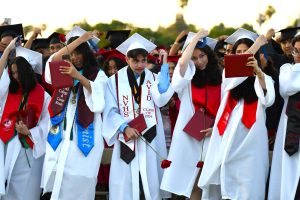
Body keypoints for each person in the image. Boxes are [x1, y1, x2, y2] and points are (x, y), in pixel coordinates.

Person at [199, 28, 275, 199]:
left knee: (250, 181)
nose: (242, 55)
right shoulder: (228, 74)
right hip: (230, 134)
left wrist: (258, 71)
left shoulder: (264, 77)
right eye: (238, 52)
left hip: (252, 138)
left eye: (245, 52)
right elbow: (238, 70)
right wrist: (259, 42)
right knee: (228, 175)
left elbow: (268, 99)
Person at [102, 33, 173, 199]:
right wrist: (124, 127)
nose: (140, 65)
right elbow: (110, 111)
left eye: (143, 60)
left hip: (151, 134)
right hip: (128, 136)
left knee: (150, 182)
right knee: (128, 183)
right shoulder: (114, 81)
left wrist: (163, 67)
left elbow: (162, 98)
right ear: (126, 59)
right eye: (135, 61)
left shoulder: (155, 78)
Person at [41, 27, 107, 200]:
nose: (75, 58)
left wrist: (78, 76)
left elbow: (99, 102)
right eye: (72, 53)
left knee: (79, 182)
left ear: (87, 53)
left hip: (84, 134)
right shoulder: (62, 70)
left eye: (79, 53)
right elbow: (53, 60)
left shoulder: (98, 74)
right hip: (61, 132)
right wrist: (78, 40)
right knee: (57, 180)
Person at [160, 30, 222, 199]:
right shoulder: (187, 78)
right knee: (193, 182)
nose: (199, 61)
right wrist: (194, 39)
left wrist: (215, 127)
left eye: (202, 56)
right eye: (194, 58)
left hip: (214, 134)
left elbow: (227, 108)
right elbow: (181, 65)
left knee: (209, 184)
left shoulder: (221, 77)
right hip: (191, 134)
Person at [0, 37, 50, 200]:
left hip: (28, 148)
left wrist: (30, 131)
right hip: (6, 144)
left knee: (25, 191)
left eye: (18, 72)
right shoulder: (8, 90)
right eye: (12, 72)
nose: (15, 76)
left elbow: (47, 123)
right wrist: (7, 51)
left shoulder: (43, 95)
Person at [268, 35, 300, 199]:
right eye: (296, 50)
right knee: (288, 173)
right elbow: (286, 87)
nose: (298, 54)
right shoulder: (286, 69)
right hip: (290, 127)